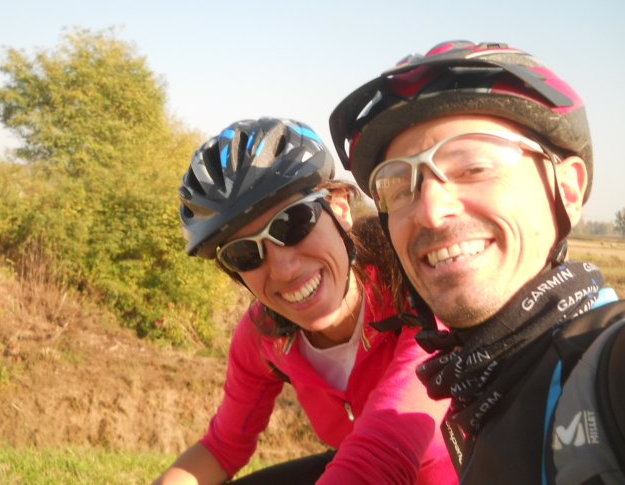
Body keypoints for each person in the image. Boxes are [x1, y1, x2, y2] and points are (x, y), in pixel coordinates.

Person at [329, 40, 625, 484]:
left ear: (566, 190)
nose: (430, 210)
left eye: (472, 165)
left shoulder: (608, 366)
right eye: (399, 185)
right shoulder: (480, 388)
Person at [154, 117, 455, 484]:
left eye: (293, 222)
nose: (283, 269)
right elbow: (222, 448)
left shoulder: (417, 290)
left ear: (340, 208)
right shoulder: (264, 336)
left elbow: (384, 451)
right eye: (244, 254)